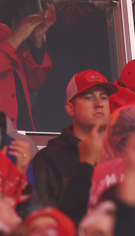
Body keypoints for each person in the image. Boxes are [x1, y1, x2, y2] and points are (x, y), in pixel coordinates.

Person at [32, 0, 114, 132]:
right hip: (66, 105)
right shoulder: (74, 11)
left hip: (76, 102)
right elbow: (107, 52)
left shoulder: (87, 11)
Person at [32, 69, 117, 207]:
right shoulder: (49, 159)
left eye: (103, 97)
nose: (99, 104)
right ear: (70, 108)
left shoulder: (121, 152)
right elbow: (45, 221)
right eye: (89, 97)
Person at [0, 4, 55, 131]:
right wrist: (16, 38)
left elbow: (34, 81)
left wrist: (37, 39)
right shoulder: (11, 34)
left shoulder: (5, 30)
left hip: (20, 132)